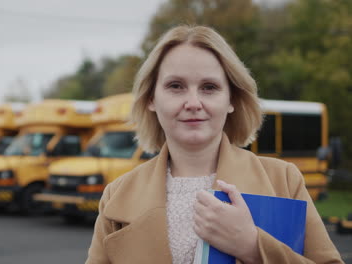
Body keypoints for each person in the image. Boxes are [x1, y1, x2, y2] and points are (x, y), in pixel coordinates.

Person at [85, 25, 343, 264]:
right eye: (176, 86)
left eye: (209, 87)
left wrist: (253, 247)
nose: (193, 102)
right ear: (151, 98)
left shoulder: (284, 180)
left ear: (231, 99)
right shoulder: (116, 195)